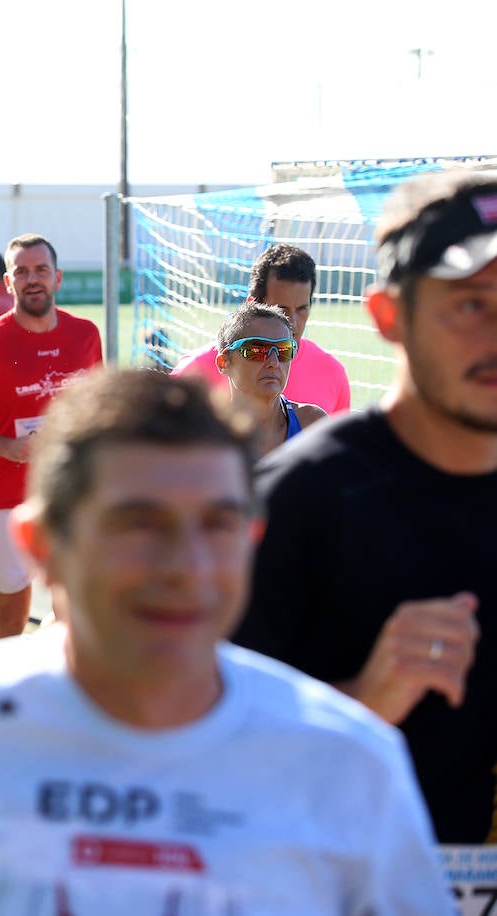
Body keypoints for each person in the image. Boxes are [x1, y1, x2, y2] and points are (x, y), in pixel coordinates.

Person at [0, 369, 450, 915]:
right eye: (138, 524)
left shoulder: (349, 762)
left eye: (218, 525)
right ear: (42, 544)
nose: (186, 568)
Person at [233, 169, 497, 844]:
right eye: (469, 303)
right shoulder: (297, 500)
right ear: (388, 316)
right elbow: (218, 758)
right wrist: (365, 701)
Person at [0, 233, 103, 641]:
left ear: (57, 277)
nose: (33, 279)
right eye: (22, 271)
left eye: (41, 270)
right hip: (4, 499)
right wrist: (6, 447)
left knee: (78, 610)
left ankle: (49, 683)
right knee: (9, 623)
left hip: (71, 494)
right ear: (8, 283)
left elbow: (98, 407)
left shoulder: (85, 335)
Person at [171, 244, 352, 414]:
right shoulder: (194, 372)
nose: (293, 322)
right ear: (252, 305)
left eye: (302, 309)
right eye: (281, 310)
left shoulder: (331, 373)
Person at [214, 302, 326, 458]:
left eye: (284, 350)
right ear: (224, 363)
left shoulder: (312, 424)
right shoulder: (202, 436)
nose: (274, 362)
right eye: (257, 350)